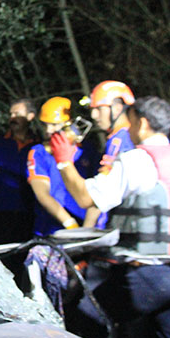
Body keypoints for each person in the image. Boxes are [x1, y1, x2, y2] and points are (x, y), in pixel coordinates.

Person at [51, 96, 170, 338]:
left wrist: (64, 162)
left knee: (81, 320)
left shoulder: (137, 160)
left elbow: (86, 198)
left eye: (130, 120)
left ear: (142, 123)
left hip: (148, 278)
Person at [26, 97, 100, 236]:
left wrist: (86, 230)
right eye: (45, 125)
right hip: (52, 229)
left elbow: (100, 191)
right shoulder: (39, 153)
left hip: (91, 226)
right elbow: (42, 194)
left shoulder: (88, 151)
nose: (48, 130)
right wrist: (70, 224)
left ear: (70, 124)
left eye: (54, 125)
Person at [0, 99, 38, 244]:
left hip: (29, 212)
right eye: (11, 114)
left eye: (17, 114)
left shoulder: (38, 145)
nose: (12, 118)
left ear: (30, 116)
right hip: (1, 211)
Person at [86, 80, 136, 173]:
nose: (93, 115)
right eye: (93, 109)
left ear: (117, 108)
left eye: (99, 108)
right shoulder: (120, 136)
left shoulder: (125, 139)